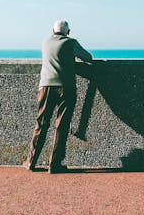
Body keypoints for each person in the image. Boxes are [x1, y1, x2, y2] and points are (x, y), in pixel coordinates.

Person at [23, 20, 93, 173]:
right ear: (68, 32)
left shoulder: (45, 42)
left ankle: (31, 161)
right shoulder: (71, 42)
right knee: (61, 125)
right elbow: (88, 57)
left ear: (52, 31)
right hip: (66, 87)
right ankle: (54, 164)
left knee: (41, 123)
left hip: (46, 86)